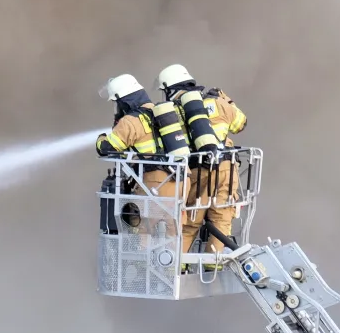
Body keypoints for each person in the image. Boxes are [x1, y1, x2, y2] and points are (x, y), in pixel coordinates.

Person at [153, 64, 247, 265]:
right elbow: (241, 124)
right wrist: (227, 100)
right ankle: (213, 265)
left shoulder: (174, 111)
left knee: (190, 220)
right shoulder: (218, 102)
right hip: (227, 169)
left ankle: (177, 266)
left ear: (170, 89)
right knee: (221, 218)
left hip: (199, 170)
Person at [95, 72, 191, 207]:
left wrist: (101, 137)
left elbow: (105, 148)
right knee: (180, 220)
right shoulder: (160, 112)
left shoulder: (130, 121)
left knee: (138, 220)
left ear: (123, 101)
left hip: (156, 184)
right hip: (182, 180)